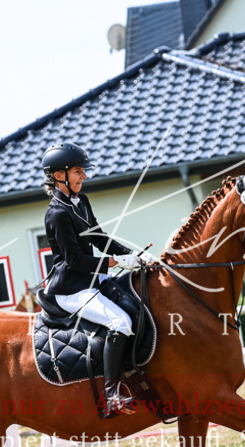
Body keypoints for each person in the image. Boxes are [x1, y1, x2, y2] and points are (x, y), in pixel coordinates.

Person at [40, 142, 155, 418]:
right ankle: (112, 394)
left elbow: (100, 238)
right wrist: (115, 262)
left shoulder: (81, 202)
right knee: (120, 322)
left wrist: (133, 255)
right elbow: (74, 261)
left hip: (92, 280)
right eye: (78, 171)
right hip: (71, 289)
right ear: (59, 176)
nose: (84, 176)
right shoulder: (57, 214)